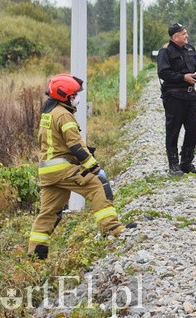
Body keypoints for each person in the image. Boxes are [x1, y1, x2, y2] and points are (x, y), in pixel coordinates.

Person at [28, 74, 133, 259]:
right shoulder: (64, 115)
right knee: (96, 184)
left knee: (48, 213)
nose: (77, 97)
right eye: (74, 94)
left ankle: (35, 257)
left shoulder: (50, 113)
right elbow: (76, 146)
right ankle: (111, 228)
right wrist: (94, 168)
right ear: (65, 96)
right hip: (61, 168)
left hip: (47, 171)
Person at [157, 23, 196, 176]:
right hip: (174, 96)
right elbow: (164, 73)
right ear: (175, 37)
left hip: (190, 95)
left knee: (193, 129)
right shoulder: (165, 52)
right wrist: (183, 77)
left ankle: (186, 163)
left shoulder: (190, 49)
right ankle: (173, 164)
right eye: (183, 34)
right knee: (173, 131)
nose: (187, 36)